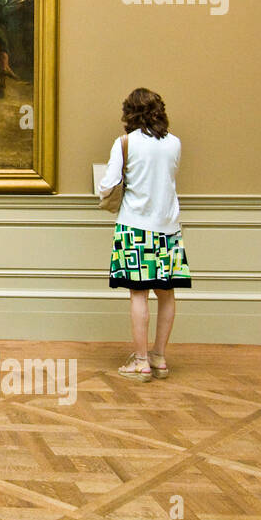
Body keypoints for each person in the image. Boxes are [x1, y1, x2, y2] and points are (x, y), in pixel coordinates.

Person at [95, 88, 191, 382]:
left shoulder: (125, 143)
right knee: (167, 294)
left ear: (129, 112)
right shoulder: (174, 144)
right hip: (168, 228)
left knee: (139, 294)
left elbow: (108, 185)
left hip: (135, 227)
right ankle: (159, 358)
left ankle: (140, 362)